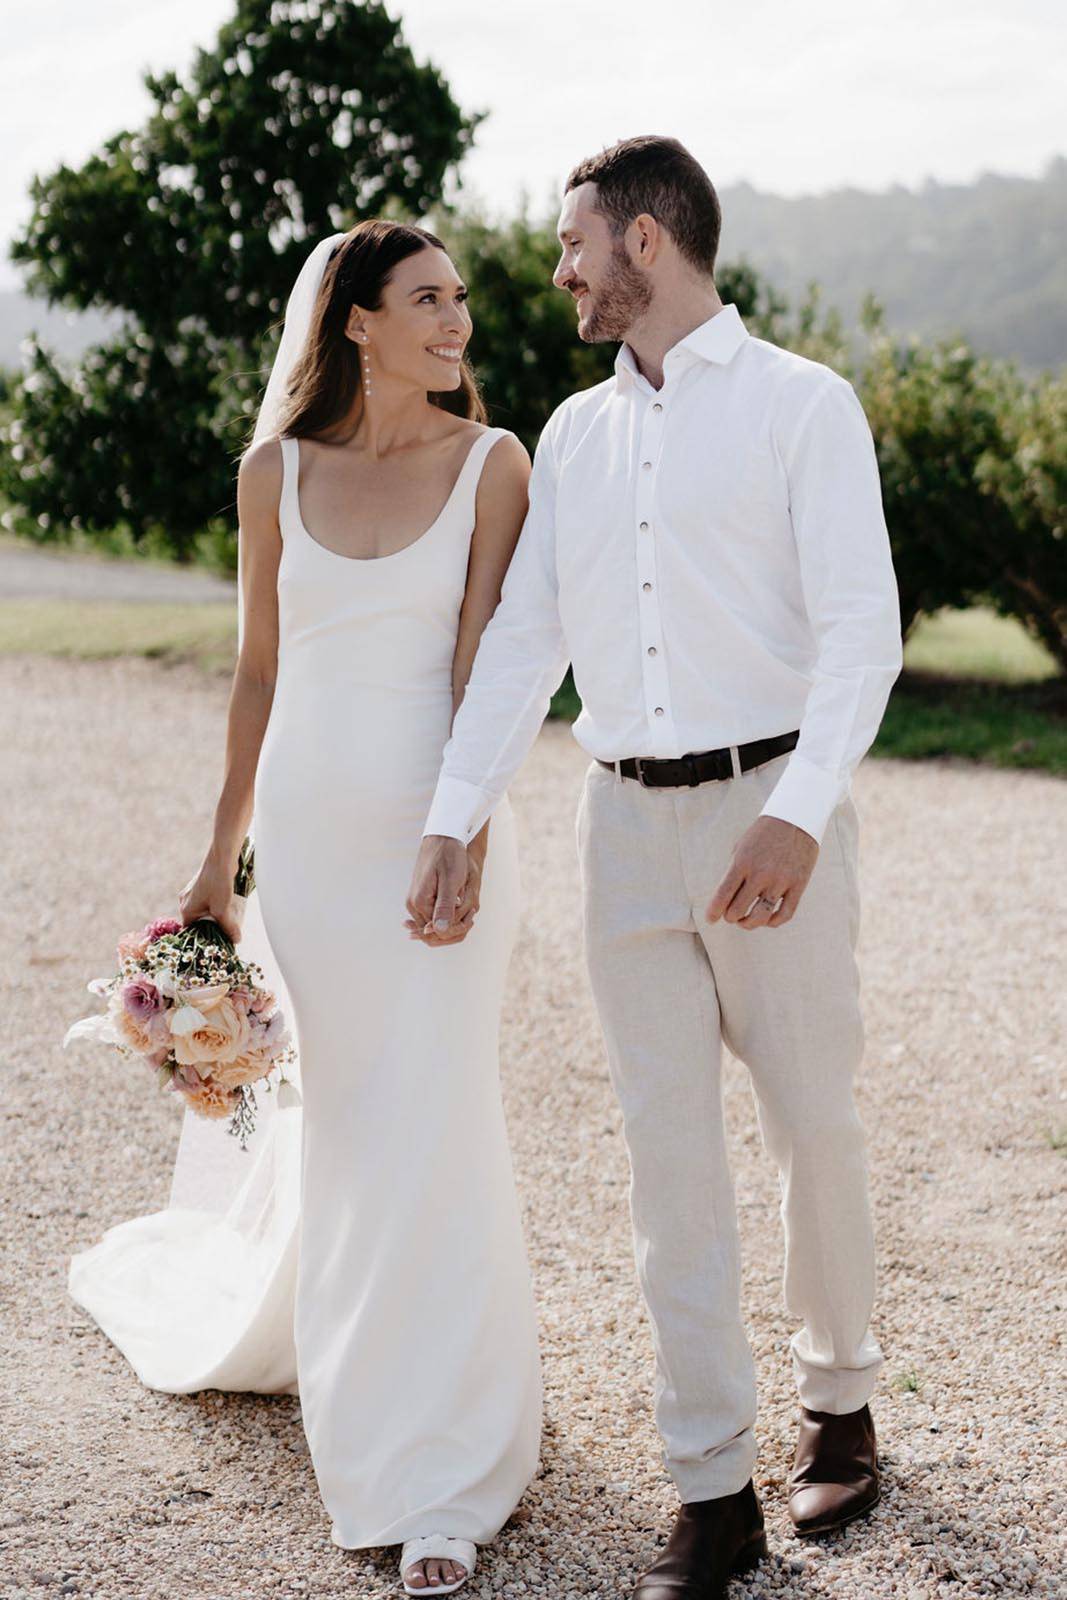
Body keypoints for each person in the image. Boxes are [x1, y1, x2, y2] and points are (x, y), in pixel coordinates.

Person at [408, 136, 903, 1600]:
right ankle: (712, 1489)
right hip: (618, 825)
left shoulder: (805, 407)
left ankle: (844, 1405)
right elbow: (525, 643)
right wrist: (455, 811)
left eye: (576, 246)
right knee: (665, 1159)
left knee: (815, 1121)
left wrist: (801, 811)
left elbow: (863, 630)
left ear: (646, 241)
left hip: (769, 814)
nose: (556, 274)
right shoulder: (571, 435)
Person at [72, 220, 543, 1599]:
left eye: (460, 300)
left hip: (441, 838)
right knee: (348, 1126)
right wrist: (218, 864)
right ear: (355, 323)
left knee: (441, 1117)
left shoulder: (493, 465)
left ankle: (448, 1473)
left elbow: (481, 673)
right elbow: (258, 678)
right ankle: (365, 1410)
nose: (457, 322)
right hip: (316, 855)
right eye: (427, 300)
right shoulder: (270, 473)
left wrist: (459, 830)